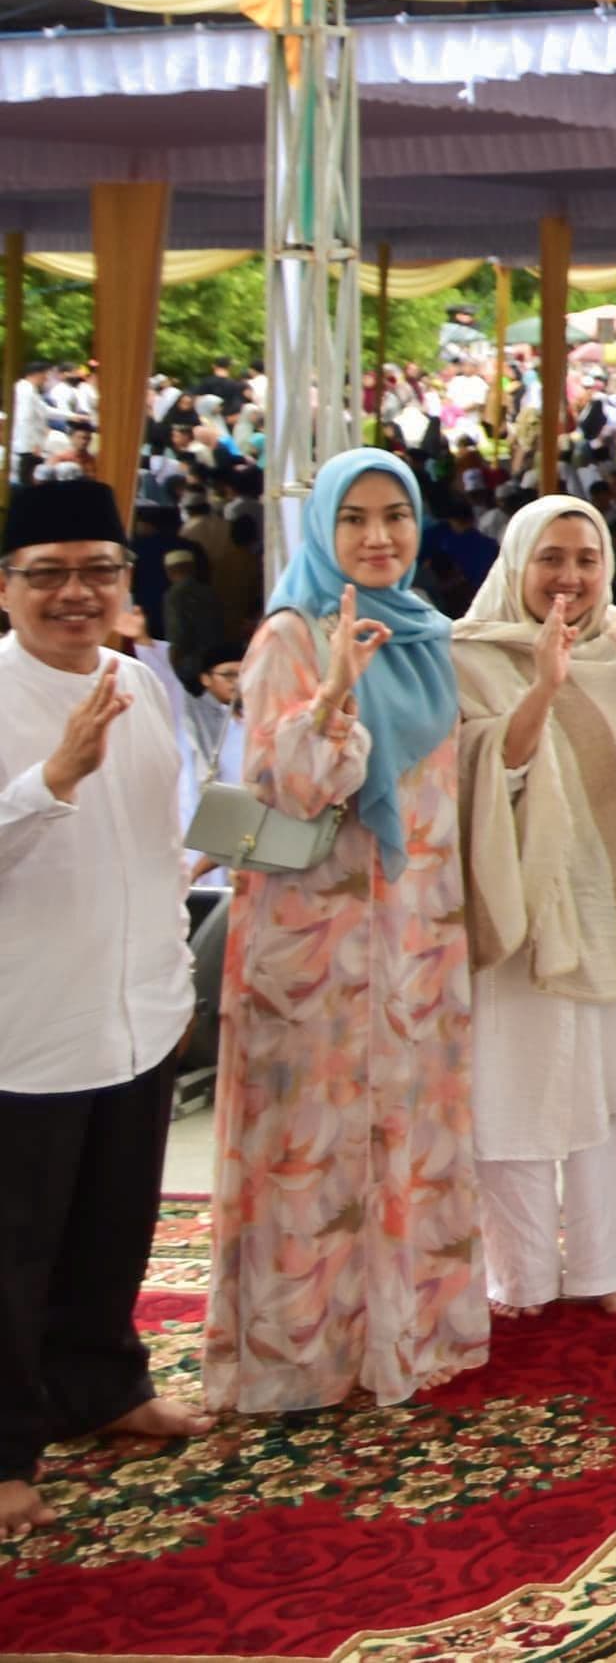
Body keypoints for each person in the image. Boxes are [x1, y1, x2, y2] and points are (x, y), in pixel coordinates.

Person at [212, 448, 485, 1410]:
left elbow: (442, 790)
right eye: (355, 519)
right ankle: (305, 1354)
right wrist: (331, 690)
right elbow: (285, 787)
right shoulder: (290, 632)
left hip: (414, 925)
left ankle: (401, 1332)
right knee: (314, 1139)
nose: (377, 537)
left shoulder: (426, 633)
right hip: (316, 934)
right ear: (322, 530)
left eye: (395, 516)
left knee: (406, 1123)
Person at [0, 478, 210, 1535]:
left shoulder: (145, 682)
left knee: (112, 1222)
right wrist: (52, 776)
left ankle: (106, 1385)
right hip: (27, 1023)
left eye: (97, 570)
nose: (75, 593)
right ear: (7, 589)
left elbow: (157, 845)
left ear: (127, 583)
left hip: (136, 1006)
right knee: (14, 1246)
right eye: (49, 574)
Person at [454, 496, 616, 1316]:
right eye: (551, 558)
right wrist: (543, 686)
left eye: (586, 558)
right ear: (517, 564)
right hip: (528, 909)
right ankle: (523, 1278)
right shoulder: (467, 653)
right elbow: (484, 780)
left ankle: (608, 1267)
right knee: (518, 1096)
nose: (569, 577)